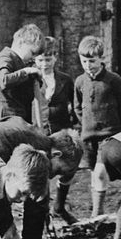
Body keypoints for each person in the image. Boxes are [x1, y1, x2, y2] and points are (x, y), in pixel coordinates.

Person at [73, 35, 121, 218]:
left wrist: (113, 124)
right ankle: (98, 210)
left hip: (108, 133)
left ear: (102, 59)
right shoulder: (80, 82)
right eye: (84, 61)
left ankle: (97, 214)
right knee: (93, 172)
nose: (88, 65)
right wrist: (86, 124)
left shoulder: (113, 80)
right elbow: (77, 107)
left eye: (92, 61)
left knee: (100, 172)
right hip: (88, 136)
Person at [35, 36, 78, 224]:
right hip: (38, 133)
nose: (44, 64)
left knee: (69, 166)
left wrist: (74, 126)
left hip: (61, 131)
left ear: (56, 58)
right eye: (40, 60)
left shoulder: (65, 80)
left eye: (48, 59)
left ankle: (59, 206)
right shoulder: (31, 79)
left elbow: (74, 104)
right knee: (42, 172)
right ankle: (43, 216)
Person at [0, 23, 47, 124]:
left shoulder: (24, 63)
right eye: (32, 53)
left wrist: (37, 78)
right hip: (0, 120)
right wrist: (27, 71)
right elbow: (5, 81)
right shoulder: (5, 57)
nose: (33, 58)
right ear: (20, 43)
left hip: (15, 118)